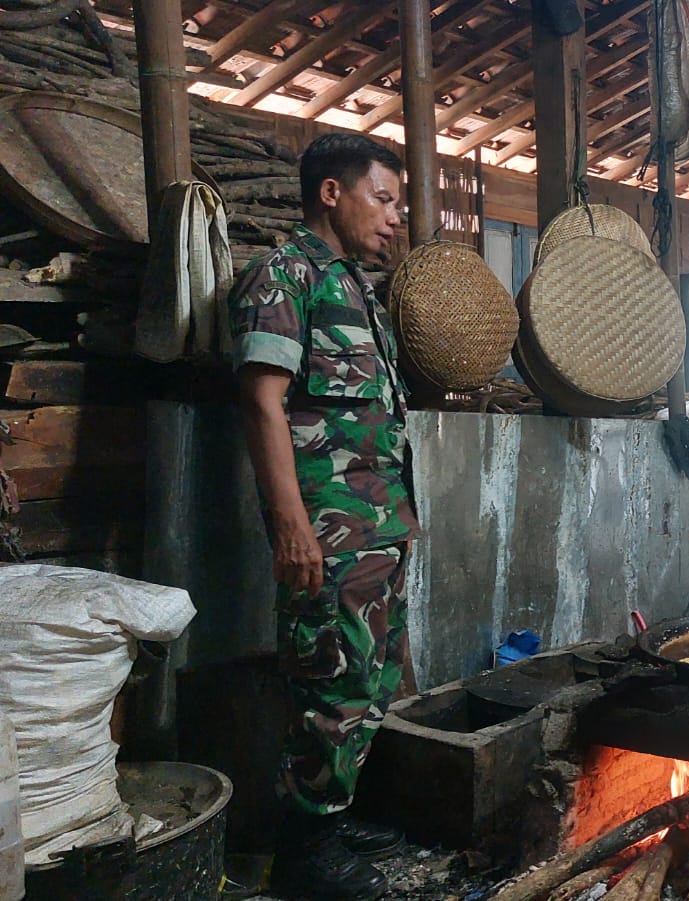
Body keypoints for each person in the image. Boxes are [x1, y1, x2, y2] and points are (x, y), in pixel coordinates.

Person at [230, 132, 417, 901]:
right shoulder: (285, 276)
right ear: (332, 193)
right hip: (329, 533)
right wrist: (290, 524)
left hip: (378, 531)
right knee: (328, 687)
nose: (396, 217)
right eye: (385, 198)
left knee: (369, 684)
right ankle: (303, 853)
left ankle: (331, 819)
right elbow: (261, 401)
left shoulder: (356, 289)